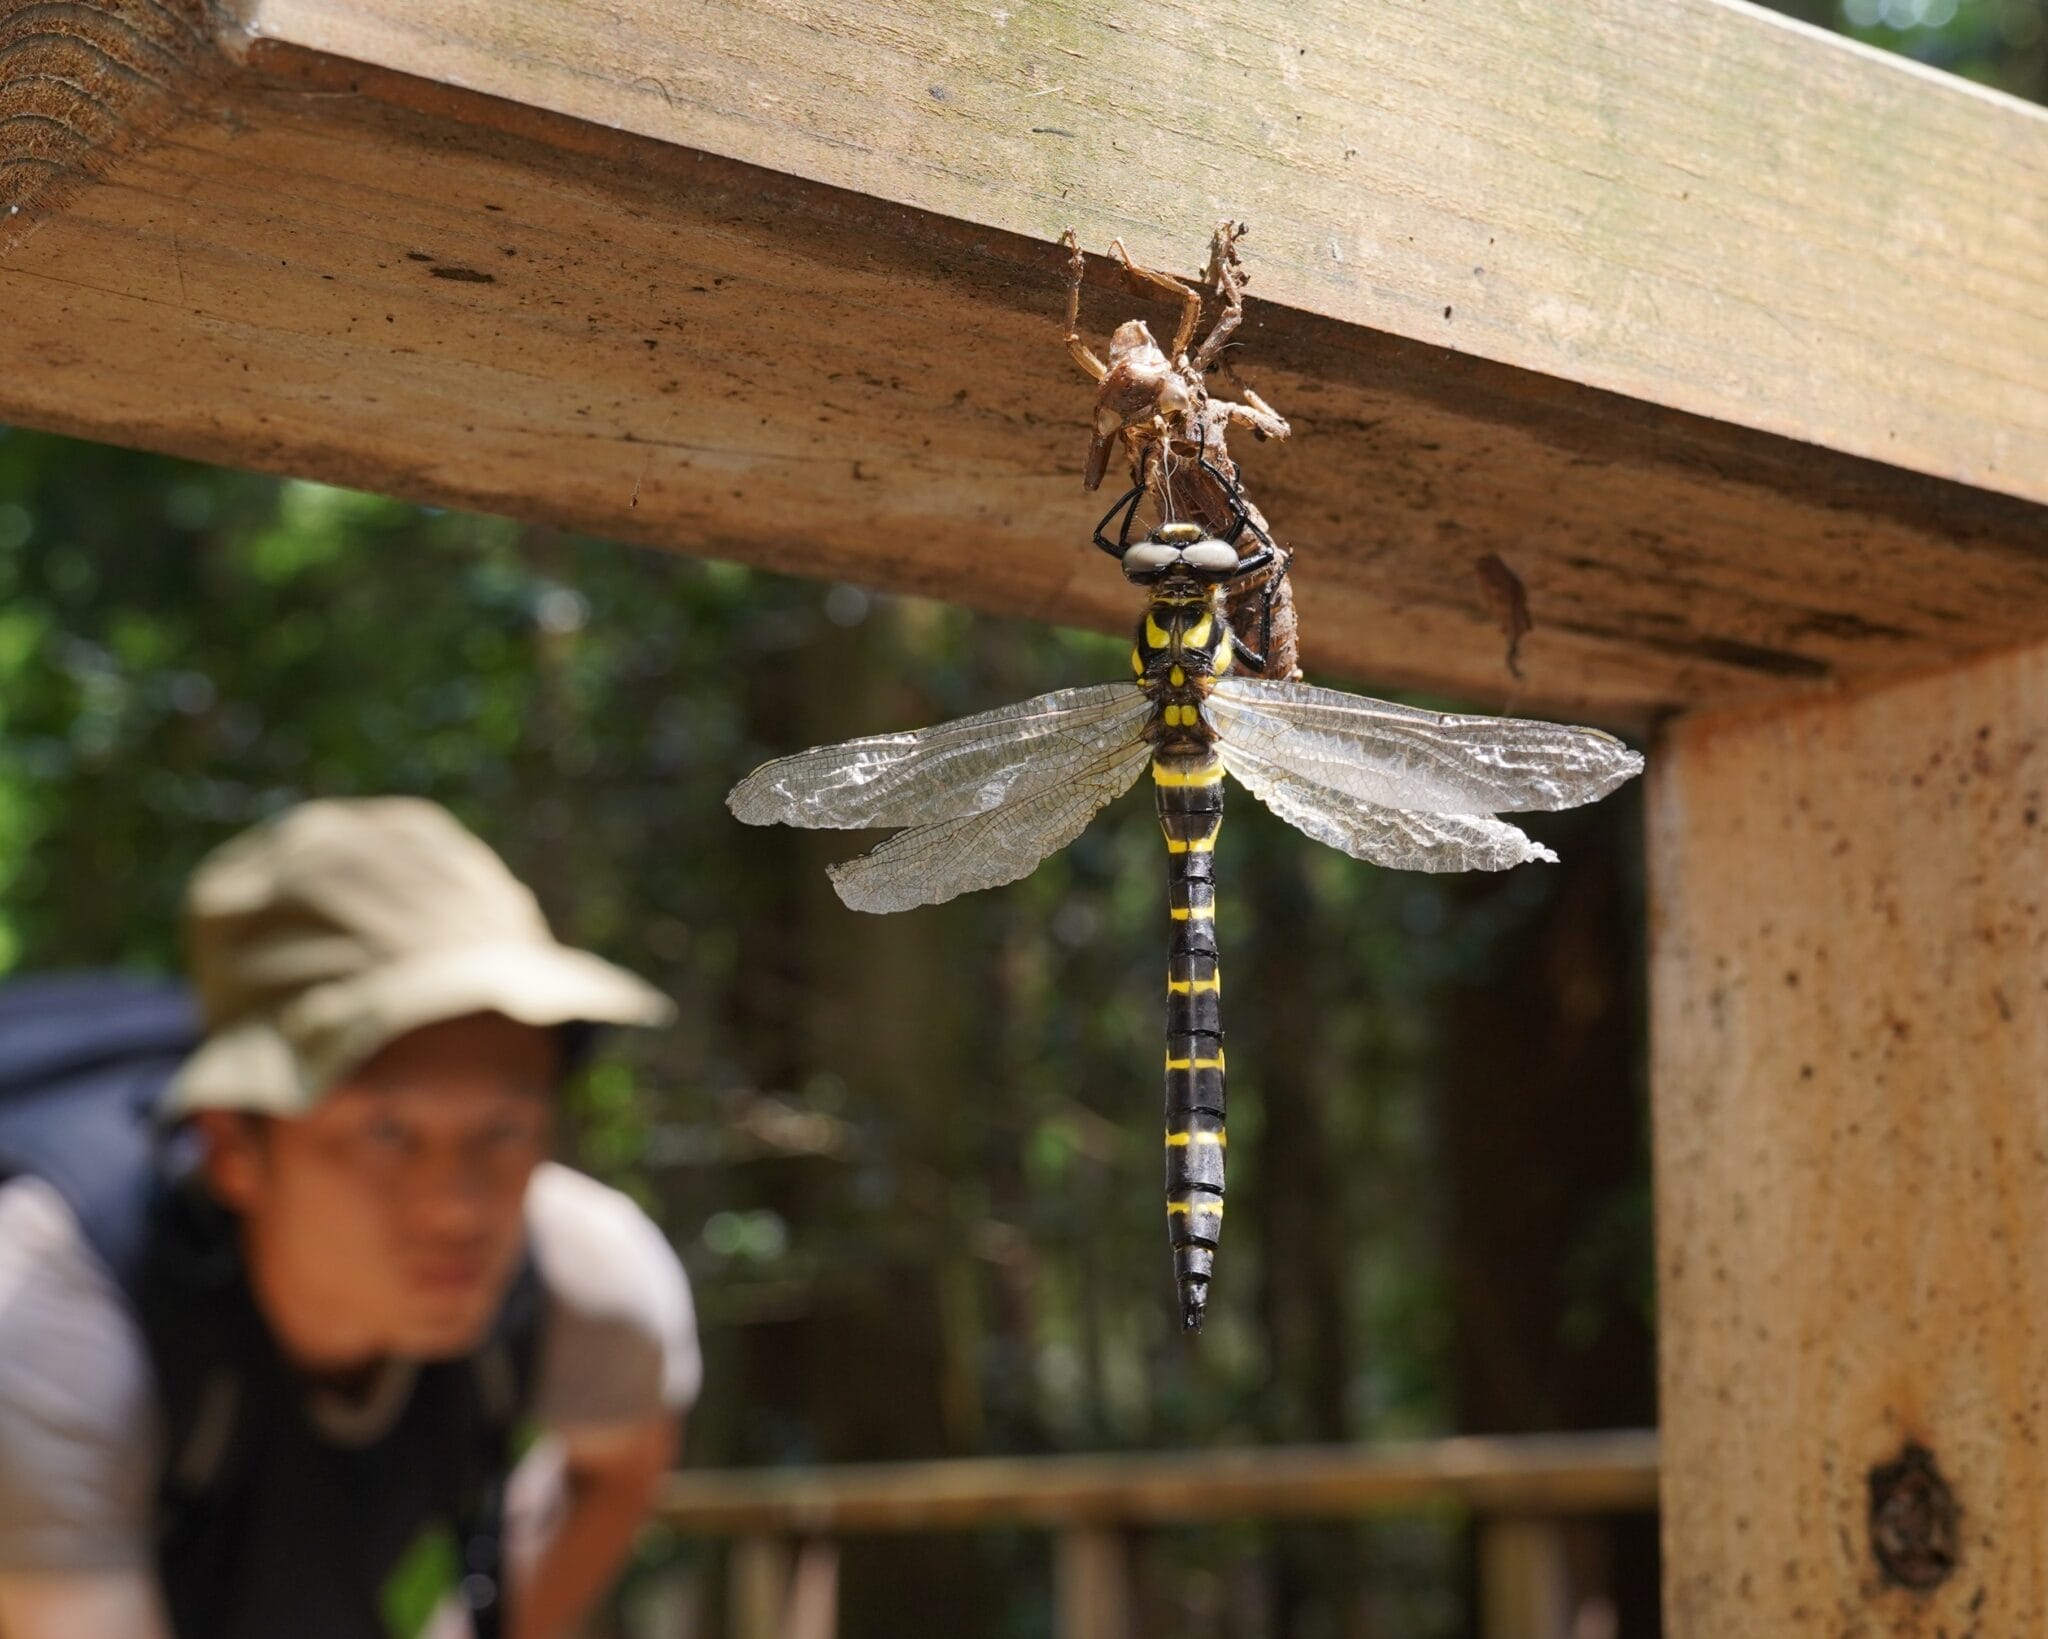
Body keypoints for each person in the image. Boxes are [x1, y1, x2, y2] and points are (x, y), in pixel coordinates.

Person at [0, 798, 699, 1639]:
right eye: (387, 1133)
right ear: (232, 1146)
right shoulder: (48, 1321)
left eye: (505, 1129)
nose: (459, 1206)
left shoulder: (584, 1274)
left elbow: (617, 1467)